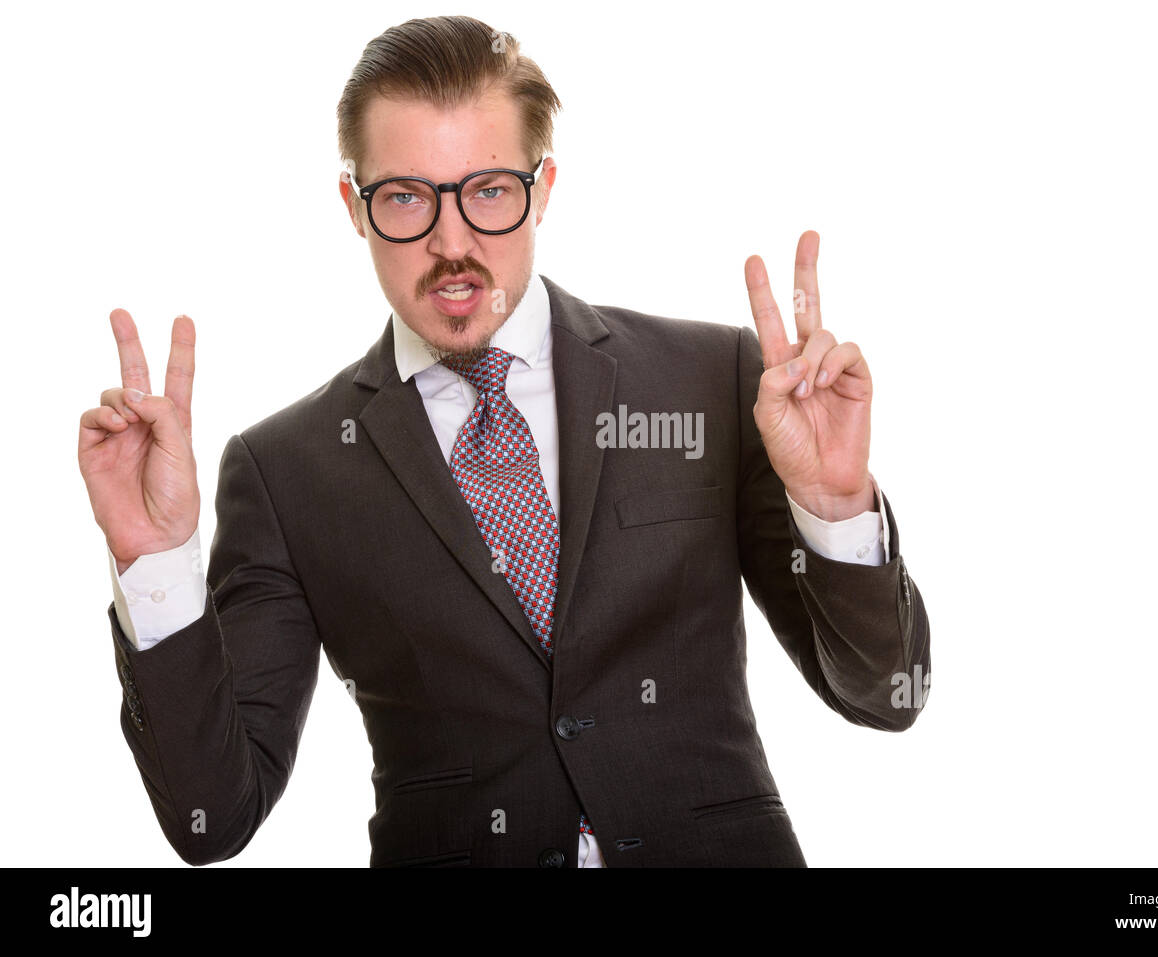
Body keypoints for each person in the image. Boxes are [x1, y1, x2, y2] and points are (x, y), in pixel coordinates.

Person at [77, 15, 930, 868]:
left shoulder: (709, 380)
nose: (453, 246)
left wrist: (833, 508)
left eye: (489, 189)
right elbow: (212, 817)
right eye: (406, 197)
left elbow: (886, 699)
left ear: (544, 185)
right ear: (354, 205)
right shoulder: (285, 470)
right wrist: (155, 562)